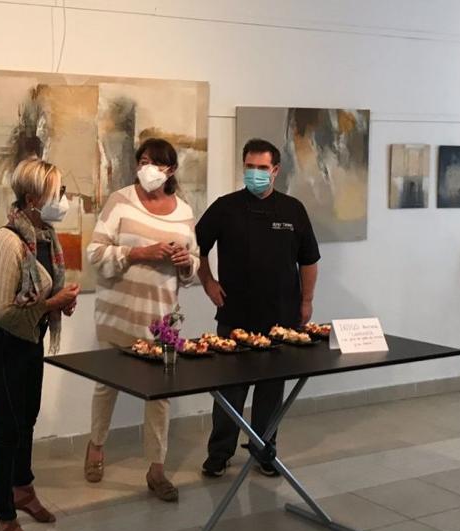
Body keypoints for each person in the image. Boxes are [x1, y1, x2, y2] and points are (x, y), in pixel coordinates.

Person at [195, 138, 320, 478]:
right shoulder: (225, 207)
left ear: (275, 170)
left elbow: (309, 260)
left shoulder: (293, 210)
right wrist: (208, 282)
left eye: (262, 168)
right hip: (235, 316)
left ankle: (265, 452)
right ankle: (219, 453)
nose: (255, 173)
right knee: (230, 390)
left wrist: (307, 301)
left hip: (281, 319)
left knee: (271, 391)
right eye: (249, 167)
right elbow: (196, 248)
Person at [84, 138, 199, 502]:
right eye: (143, 160)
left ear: (171, 170)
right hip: (117, 313)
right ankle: (96, 446)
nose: (148, 168)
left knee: (160, 396)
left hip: (162, 321)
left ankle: (157, 468)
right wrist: (139, 253)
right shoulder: (120, 200)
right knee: (107, 385)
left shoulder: (184, 211)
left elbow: (193, 266)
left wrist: (186, 262)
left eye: (157, 163)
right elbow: (95, 253)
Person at [0, 158, 79, 531]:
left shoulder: (45, 236)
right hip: (3, 345)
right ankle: (5, 522)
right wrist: (52, 303)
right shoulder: (8, 241)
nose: (64, 199)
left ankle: (22, 488)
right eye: (59, 192)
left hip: (29, 340)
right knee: (7, 431)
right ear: (35, 197)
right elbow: (1, 311)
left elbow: (38, 294)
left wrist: (58, 304)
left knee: (27, 421)